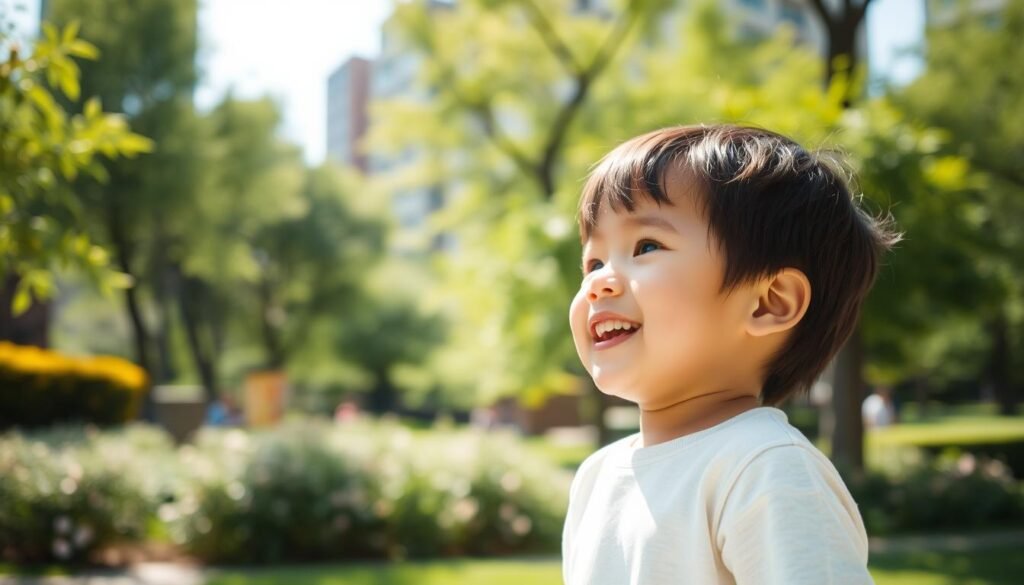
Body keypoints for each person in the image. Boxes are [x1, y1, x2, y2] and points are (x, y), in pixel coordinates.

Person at [562, 124, 902, 584]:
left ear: (769, 302)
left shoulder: (764, 468)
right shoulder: (596, 478)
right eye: (594, 261)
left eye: (646, 246)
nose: (598, 282)